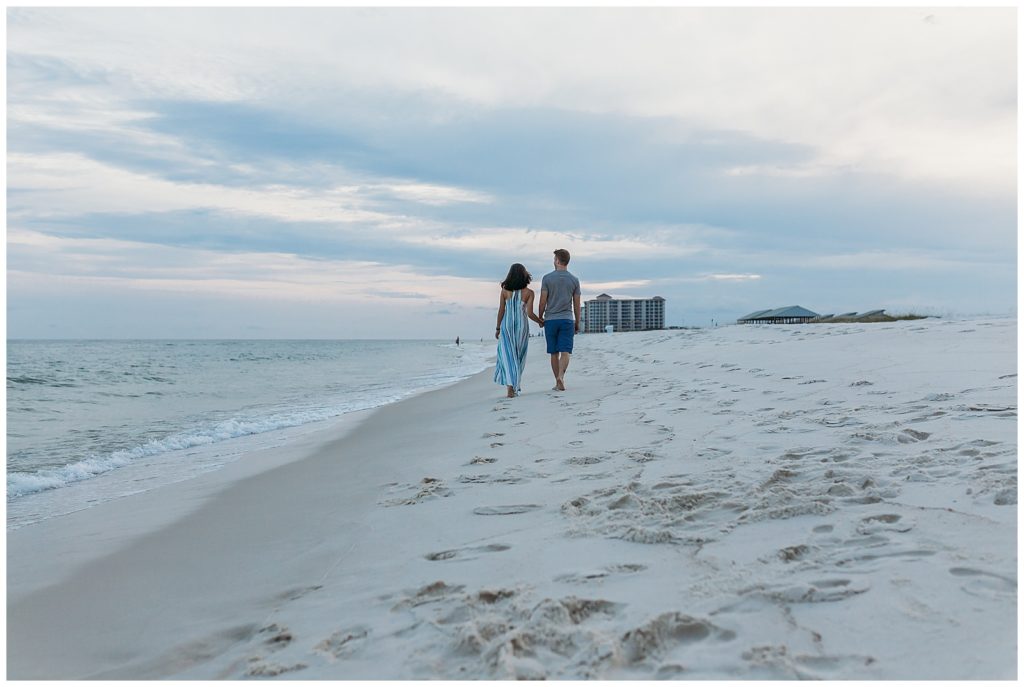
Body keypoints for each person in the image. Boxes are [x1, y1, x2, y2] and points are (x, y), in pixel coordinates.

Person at [494, 263, 544, 398]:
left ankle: (510, 387)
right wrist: (541, 322)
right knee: (518, 356)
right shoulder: (529, 293)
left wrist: (498, 328)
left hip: (507, 326)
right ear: (524, 275)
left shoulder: (505, 291)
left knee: (507, 356)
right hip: (521, 328)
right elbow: (529, 314)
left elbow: (501, 310)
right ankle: (514, 386)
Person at [537, 248, 581, 391]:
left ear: (557, 260)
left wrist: (540, 317)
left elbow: (543, 301)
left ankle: (557, 381)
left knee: (554, 353)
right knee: (565, 351)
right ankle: (561, 377)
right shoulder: (574, 280)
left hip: (551, 320)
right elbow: (576, 304)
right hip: (567, 319)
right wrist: (577, 322)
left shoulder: (547, 278)